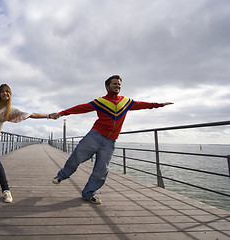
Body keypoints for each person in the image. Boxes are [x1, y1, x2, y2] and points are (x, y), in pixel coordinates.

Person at [52, 75, 173, 205]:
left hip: (110, 142)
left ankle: (88, 194)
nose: (117, 86)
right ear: (107, 86)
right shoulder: (100, 102)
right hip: (95, 136)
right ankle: (61, 176)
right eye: (115, 84)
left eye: (119, 84)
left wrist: (159, 105)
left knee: (102, 170)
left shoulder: (126, 102)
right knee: (77, 156)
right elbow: (81, 108)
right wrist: (62, 113)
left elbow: (143, 104)